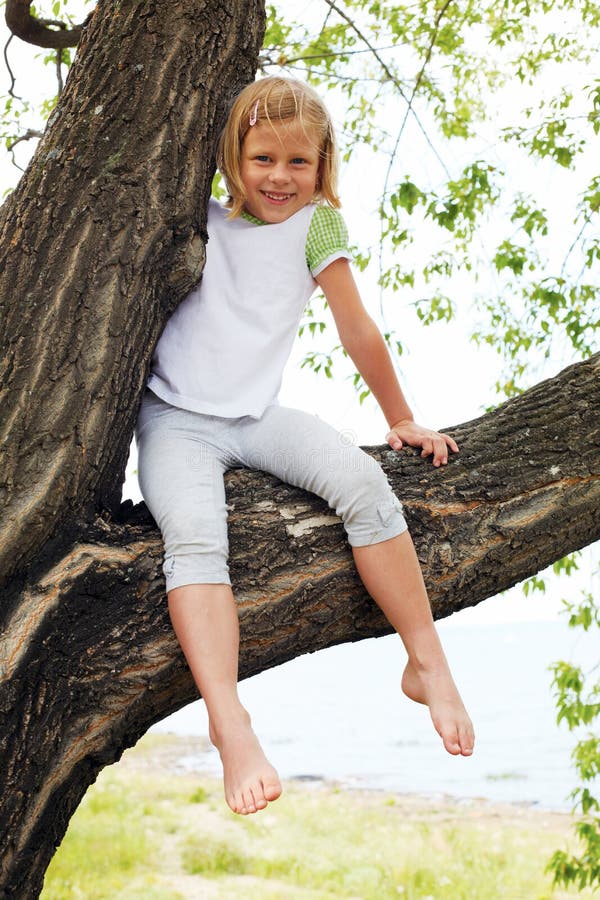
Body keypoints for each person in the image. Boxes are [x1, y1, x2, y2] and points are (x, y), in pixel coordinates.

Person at [136, 76, 474, 817]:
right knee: (195, 540)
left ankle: (427, 660)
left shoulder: (317, 226)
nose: (279, 177)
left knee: (363, 484)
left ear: (323, 166)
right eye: (262, 158)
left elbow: (357, 328)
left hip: (257, 414)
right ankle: (230, 725)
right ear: (232, 156)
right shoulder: (195, 215)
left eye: (299, 162)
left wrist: (403, 415)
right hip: (175, 421)